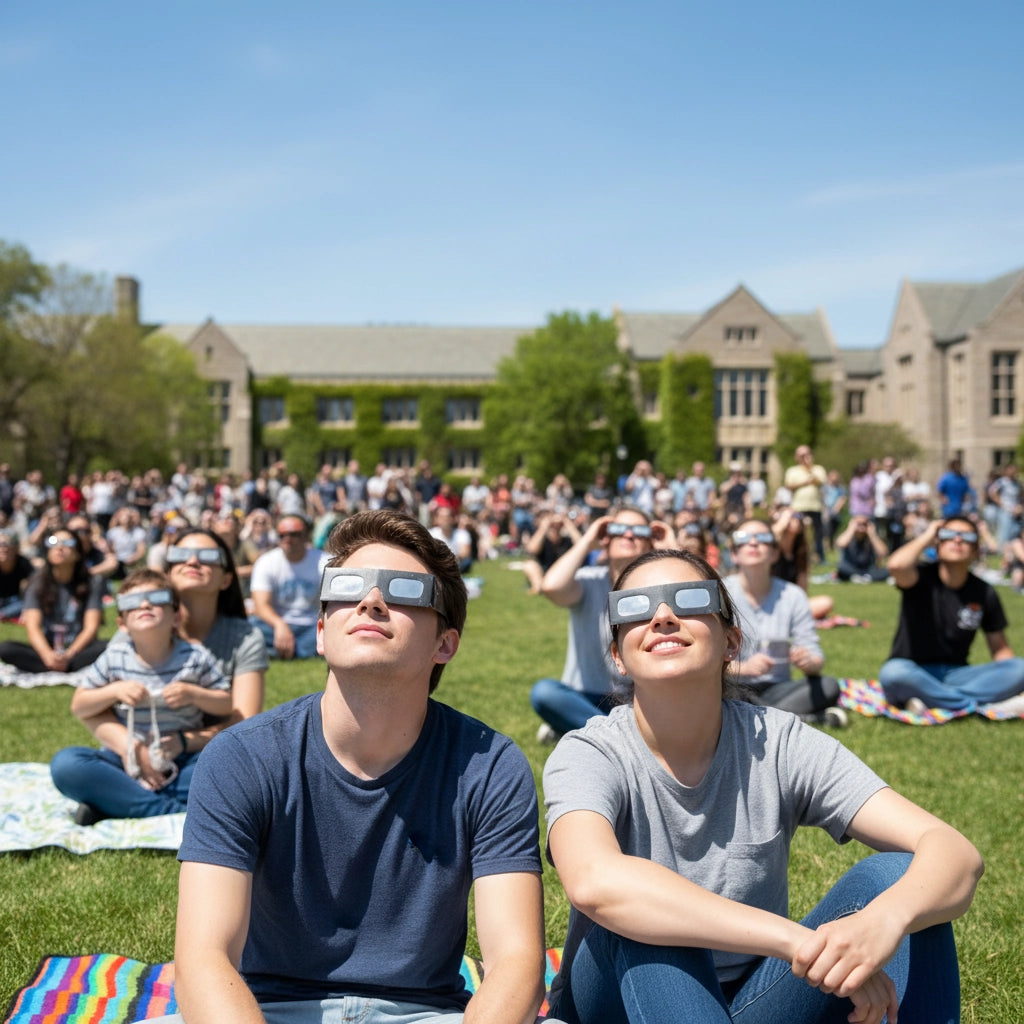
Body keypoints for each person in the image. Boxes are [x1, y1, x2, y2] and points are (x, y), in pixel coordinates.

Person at [543, 547, 983, 1024]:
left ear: (732, 642)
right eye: (635, 607)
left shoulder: (779, 740)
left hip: (757, 997)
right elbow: (595, 883)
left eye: (689, 600)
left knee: (902, 880)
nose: (664, 616)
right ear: (618, 656)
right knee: (649, 917)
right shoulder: (589, 752)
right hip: (617, 998)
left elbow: (954, 854)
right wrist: (797, 940)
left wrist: (887, 920)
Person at [162, 510, 545, 1024]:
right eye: (348, 586)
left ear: (444, 644)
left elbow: (516, 962)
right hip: (262, 1011)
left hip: (427, 1015)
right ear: (321, 631)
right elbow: (202, 958)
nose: (371, 601)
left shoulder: (490, 765)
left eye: (405, 590)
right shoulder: (241, 756)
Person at [50, 569, 232, 824]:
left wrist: (194, 694)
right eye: (133, 603)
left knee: (226, 766)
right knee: (66, 764)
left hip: (182, 760)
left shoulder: (194, 656)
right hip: (125, 762)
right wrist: (113, 691)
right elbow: (79, 705)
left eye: (157, 599)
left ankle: (117, 804)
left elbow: (225, 703)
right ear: (122, 623)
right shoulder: (115, 658)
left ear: (176, 617)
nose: (145, 604)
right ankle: (169, 810)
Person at [531, 507, 668, 740]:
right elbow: (551, 587)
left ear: (650, 542)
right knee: (544, 693)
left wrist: (671, 549)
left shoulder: (661, 588)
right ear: (606, 538)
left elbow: (709, 594)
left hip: (638, 698)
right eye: (618, 529)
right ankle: (622, 738)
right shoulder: (589, 580)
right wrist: (587, 539)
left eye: (639, 531)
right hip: (584, 695)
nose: (628, 535)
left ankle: (584, 730)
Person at [878, 517, 1024, 712]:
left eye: (967, 537)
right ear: (937, 544)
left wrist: (1015, 681)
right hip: (914, 670)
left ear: (975, 550)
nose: (957, 540)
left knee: (1020, 668)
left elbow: (1000, 649)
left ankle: (931, 699)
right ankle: (979, 704)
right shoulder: (919, 577)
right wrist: (928, 535)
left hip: (958, 674)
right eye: (948, 535)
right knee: (893, 673)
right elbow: (896, 566)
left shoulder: (984, 592)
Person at [724, 519, 846, 724]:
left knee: (828, 685)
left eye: (763, 539)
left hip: (778, 688)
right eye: (744, 539)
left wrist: (809, 662)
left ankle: (757, 717)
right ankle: (803, 718)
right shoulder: (722, 593)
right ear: (734, 554)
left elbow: (815, 654)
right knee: (725, 695)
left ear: (775, 553)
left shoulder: (792, 595)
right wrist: (744, 668)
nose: (754, 543)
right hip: (734, 684)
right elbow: (706, 659)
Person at [0, 527, 107, 673]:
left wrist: (69, 655)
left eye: (68, 542)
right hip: (47, 649)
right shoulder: (36, 582)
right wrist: (47, 655)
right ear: (47, 551)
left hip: (79, 650)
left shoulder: (93, 582)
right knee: (6, 649)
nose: (60, 547)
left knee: (110, 646)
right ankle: (57, 665)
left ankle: (59, 666)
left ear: (77, 553)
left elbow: (91, 627)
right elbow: (33, 627)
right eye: (53, 542)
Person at [249, 514, 326, 658]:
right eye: (282, 535)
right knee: (249, 627)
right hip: (275, 626)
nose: (287, 539)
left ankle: (281, 651)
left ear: (306, 536)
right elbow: (260, 606)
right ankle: (305, 651)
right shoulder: (266, 562)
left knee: (331, 631)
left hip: (312, 626)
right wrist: (280, 625)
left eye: (294, 534)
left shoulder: (325, 562)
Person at [783, 446, 827, 563]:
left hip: (815, 506)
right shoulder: (792, 470)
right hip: (798, 507)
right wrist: (805, 482)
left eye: (806, 455)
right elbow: (789, 485)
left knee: (818, 533)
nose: (804, 458)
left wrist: (809, 469)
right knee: (797, 532)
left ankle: (820, 556)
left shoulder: (818, 469)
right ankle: (797, 556)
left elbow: (821, 481)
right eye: (801, 456)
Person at [835, 515, 889, 582]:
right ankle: (861, 578)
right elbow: (841, 544)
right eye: (859, 524)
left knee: (887, 571)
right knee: (842, 569)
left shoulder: (871, 538)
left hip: (868, 570)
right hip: (850, 568)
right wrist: (851, 529)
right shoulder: (849, 536)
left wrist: (872, 535)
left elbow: (883, 553)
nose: (861, 527)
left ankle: (864, 578)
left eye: (864, 524)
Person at [429, 505, 474, 574]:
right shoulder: (431, 534)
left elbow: (465, 554)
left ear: (453, 519)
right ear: (437, 519)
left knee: (467, 562)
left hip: (457, 563)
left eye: (447, 517)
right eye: (442, 517)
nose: (444, 520)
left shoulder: (462, 534)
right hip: (439, 564)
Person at [0, 529, 33, 620]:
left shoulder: (23, 563)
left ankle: (3, 614)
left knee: (26, 605)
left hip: (14, 600)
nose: (3, 548)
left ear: (15, 547)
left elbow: (34, 586)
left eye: (7, 544)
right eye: (0, 545)